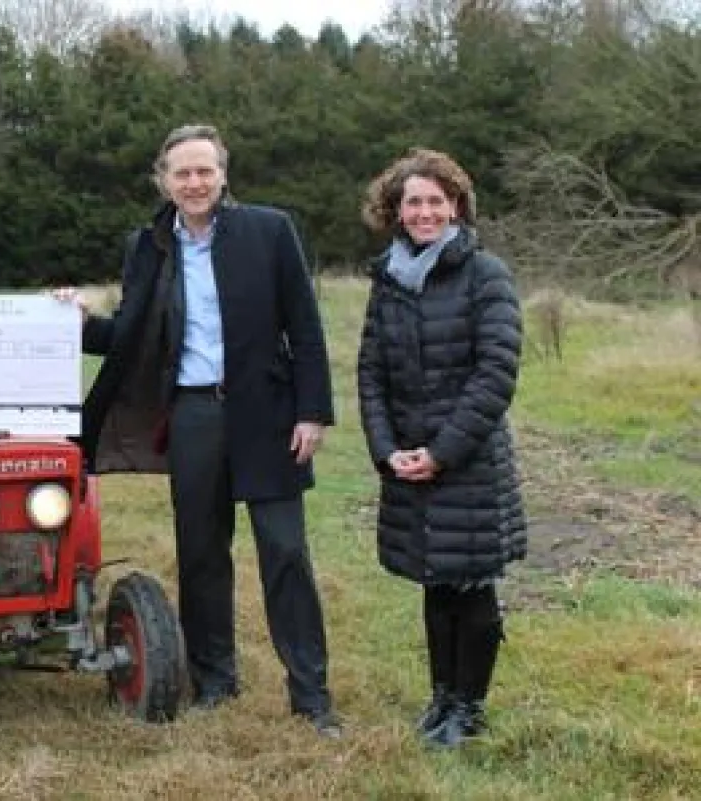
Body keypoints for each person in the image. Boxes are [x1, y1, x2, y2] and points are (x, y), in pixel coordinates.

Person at [56, 124, 341, 737]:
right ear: (164, 179)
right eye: (182, 173)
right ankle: (215, 680)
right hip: (192, 414)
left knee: (285, 551)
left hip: (267, 412)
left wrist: (312, 410)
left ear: (223, 174)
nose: (194, 183)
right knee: (202, 553)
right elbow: (130, 333)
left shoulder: (270, 231)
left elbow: (306, 327)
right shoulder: (149, 245)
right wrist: (80, 323)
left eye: (204, 170)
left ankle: (311, 695)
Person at [356, 148, 527, 748]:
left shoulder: (487, 275)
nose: (424, 212)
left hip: (468, 462)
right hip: (409, 462)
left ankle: (470, 710)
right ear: (396, 211)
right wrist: (386, 449)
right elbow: (370, 372)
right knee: (435, 581)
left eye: (435, 201)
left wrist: (443, 451)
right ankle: (442, 700)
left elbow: (495, 374)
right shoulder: (388, 282)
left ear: (455, 206)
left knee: (472, 584)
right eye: (413, 203)